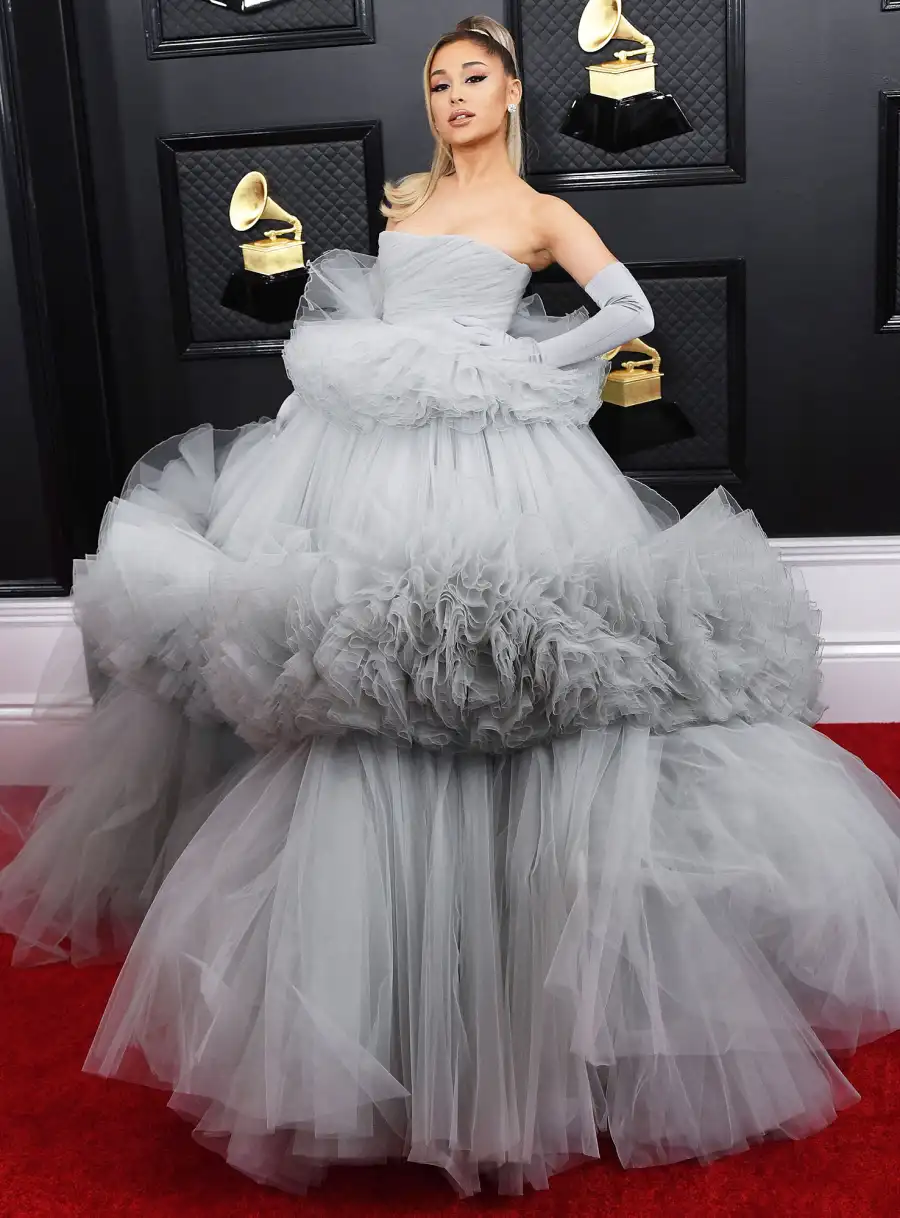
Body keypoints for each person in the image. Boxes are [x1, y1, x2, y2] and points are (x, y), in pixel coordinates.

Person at [4, 12, 900, 1200]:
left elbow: (626, 313)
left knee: (521, 668)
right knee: (358, 673)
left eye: (473, 78)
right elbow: (365, 336)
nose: (453, 97)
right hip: (370, 465)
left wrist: (535, 368)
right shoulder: (403, 209)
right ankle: (384, 974)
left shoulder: (541, 215)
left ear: (517, 91)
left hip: (503, 463)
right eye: (437, 82)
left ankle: (542, 970)